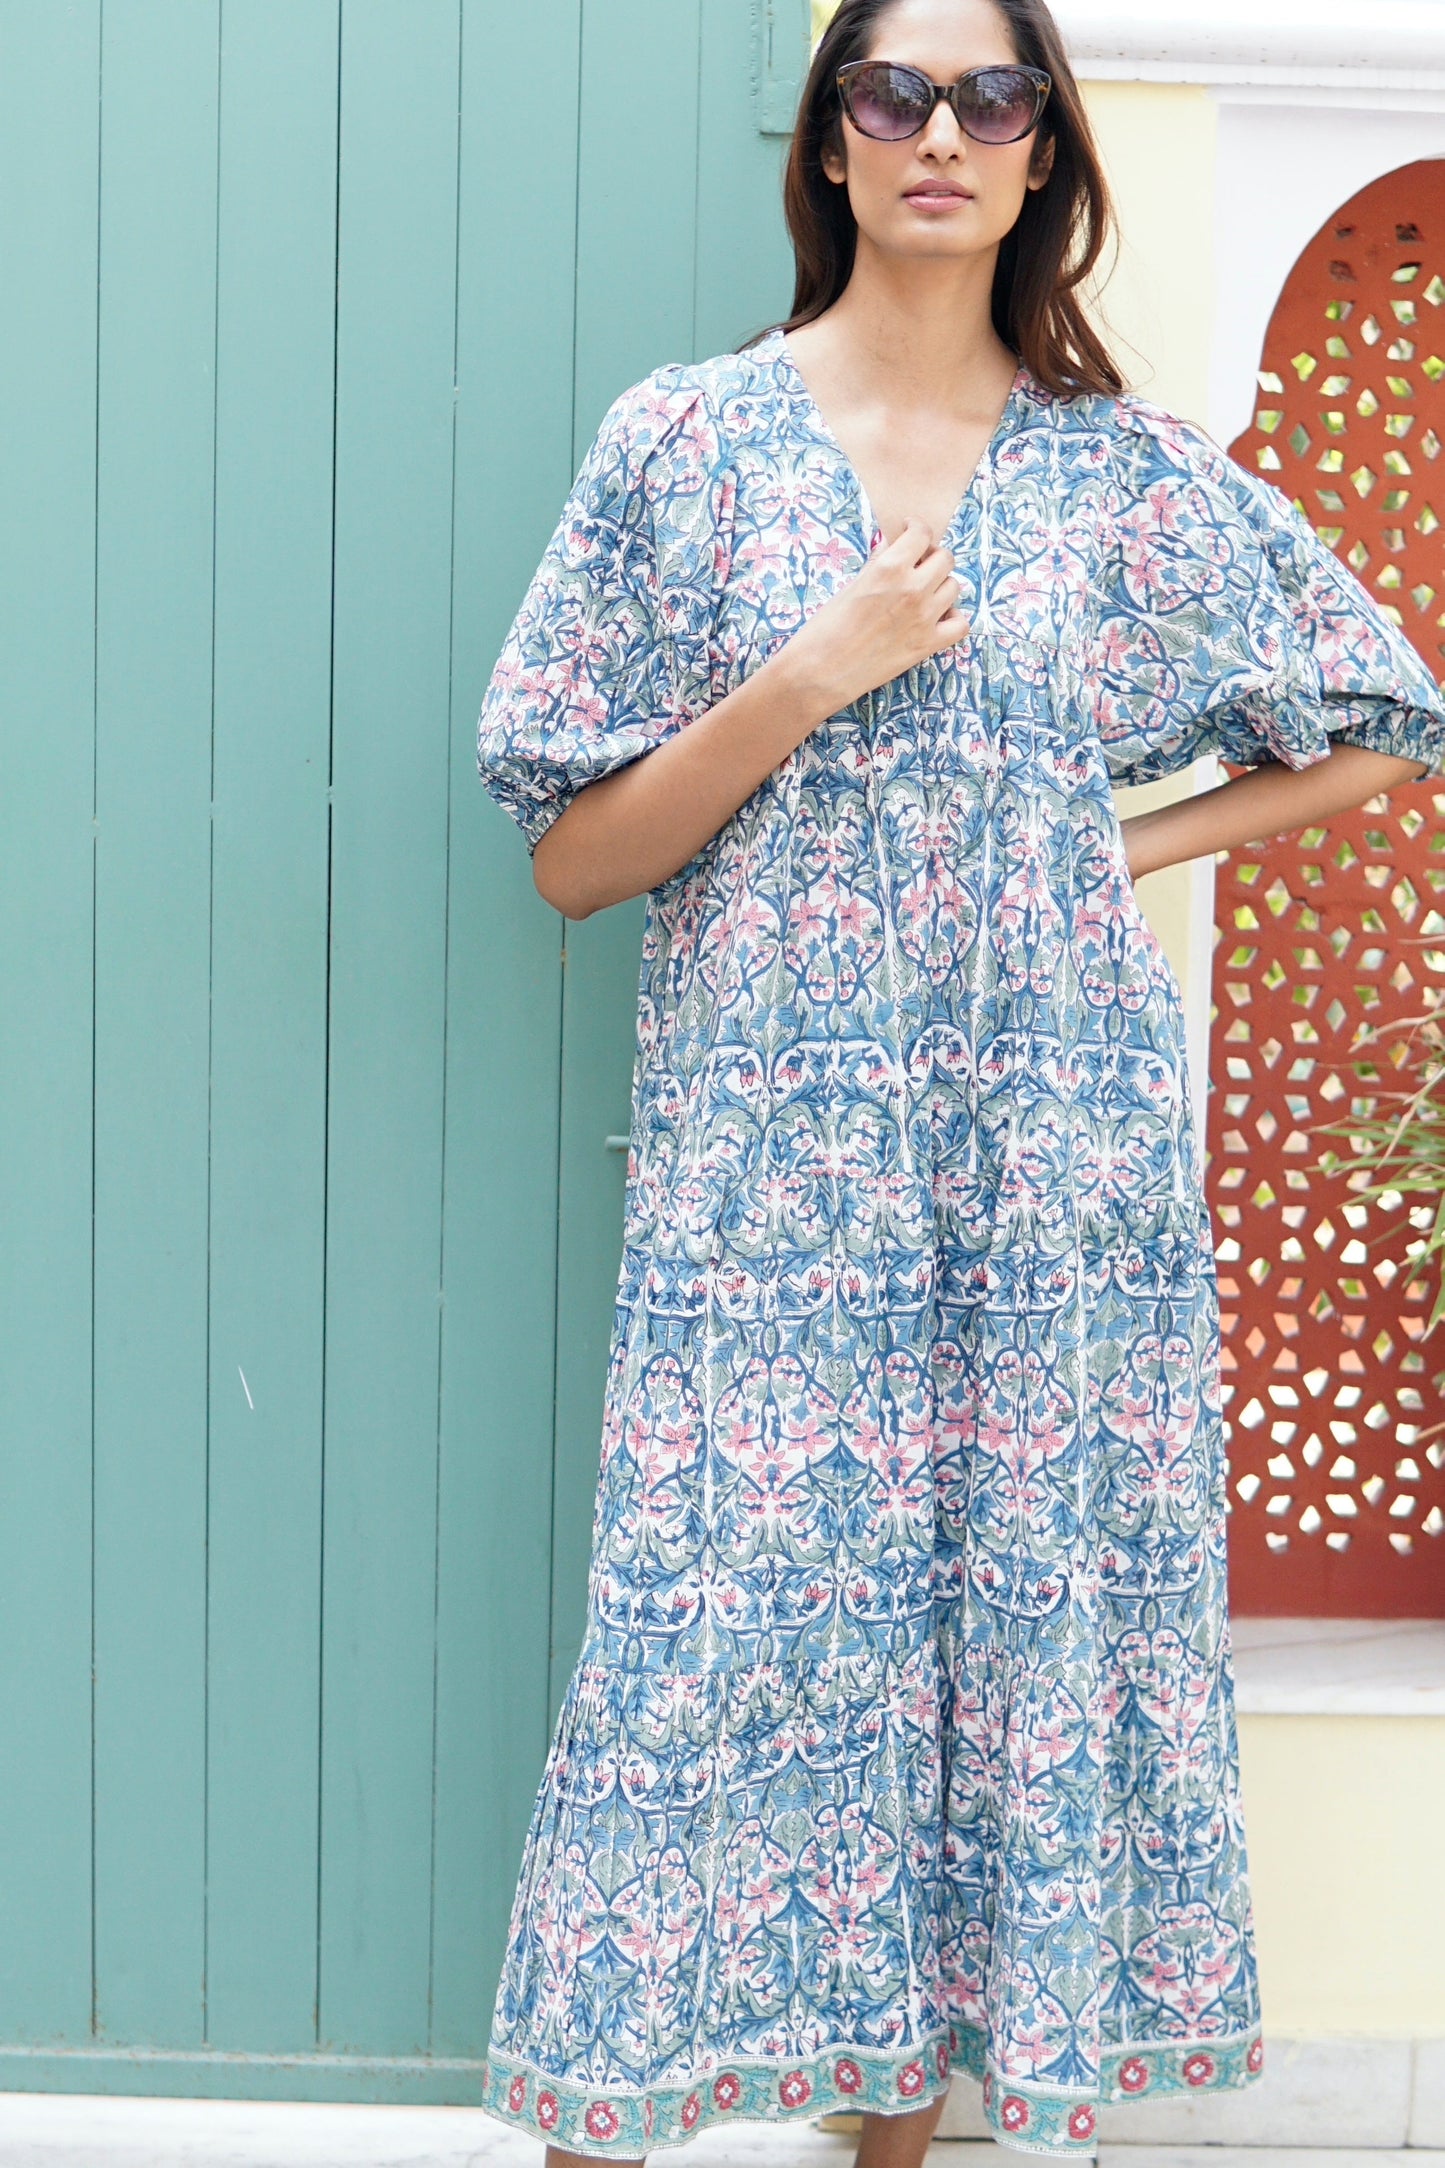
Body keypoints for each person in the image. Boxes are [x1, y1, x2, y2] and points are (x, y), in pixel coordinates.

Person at [474, 0, 1445, 2159]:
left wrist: (1111, 838)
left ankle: (902, 2135)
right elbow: (572, 855)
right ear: (829, 144)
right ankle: (609, 2110)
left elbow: (1386, 715)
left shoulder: (1129, 479)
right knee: (712, 1642)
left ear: (1039, 156)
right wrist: (811, 671)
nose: (940, 129)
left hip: (1053, 1162)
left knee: (999, 1630)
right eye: (891, 91)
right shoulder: (685, 445)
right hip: (766, 1180)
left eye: (990, 97)